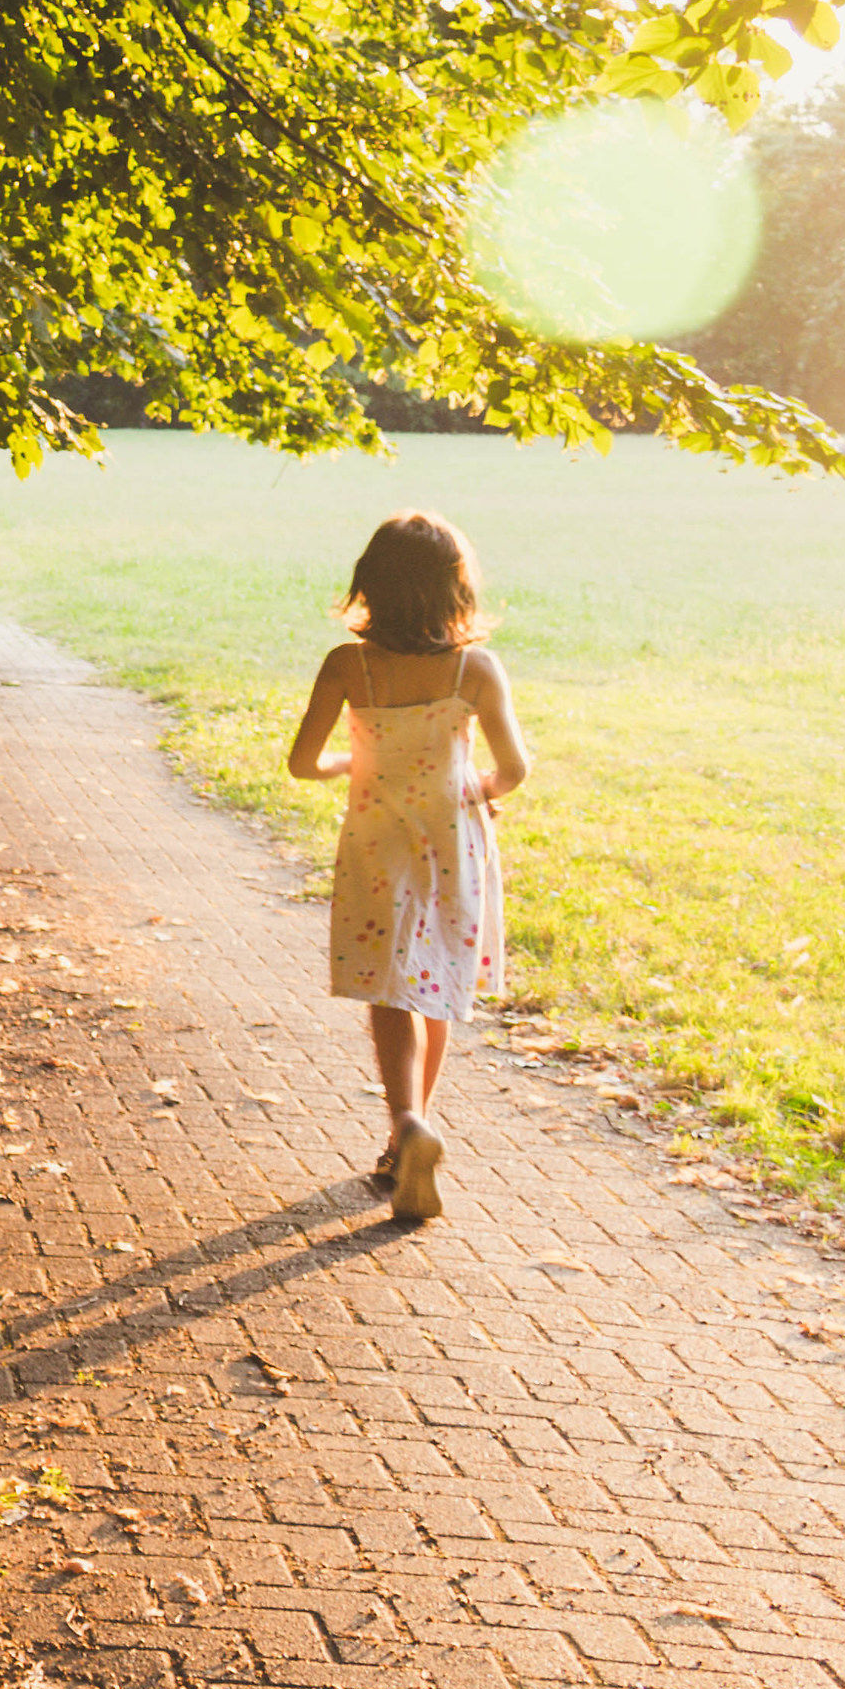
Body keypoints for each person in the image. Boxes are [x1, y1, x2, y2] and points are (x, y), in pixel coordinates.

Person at [287, 510, 530, 1221]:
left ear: (371, 584)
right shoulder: (474, 669)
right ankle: (413, 1128)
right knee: (437, 981)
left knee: (389, 987)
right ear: (455, 588)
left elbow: (303, 763)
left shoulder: (348, 665)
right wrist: (478, 790)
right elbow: (513, 770)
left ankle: (404, 1127)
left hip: (376, 842)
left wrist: (349, 764)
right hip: (452, 842)